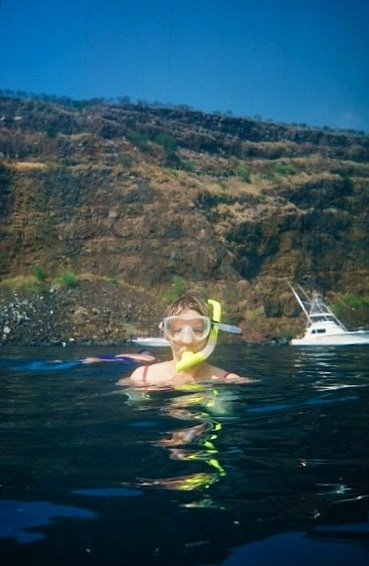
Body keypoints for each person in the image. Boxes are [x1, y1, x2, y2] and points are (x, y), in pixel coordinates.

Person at [120, 293, 252, 387]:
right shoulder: (142, 377)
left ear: (211, 333)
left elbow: (223, 414)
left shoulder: (228, 381)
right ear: (166, 334)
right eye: (178, 330)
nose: (187, 340)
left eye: (198, 330)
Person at [81, 350, 156, 364]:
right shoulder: (149, 358)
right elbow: (150, 358)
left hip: (124, 359)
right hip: (125, 359)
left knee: (109, 359)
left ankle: (91, 360)